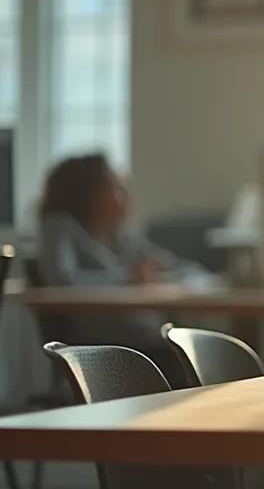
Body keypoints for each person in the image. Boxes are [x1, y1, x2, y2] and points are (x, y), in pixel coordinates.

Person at [35, 153, 216, 387]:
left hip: (144, 332)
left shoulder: (120, 235)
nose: (125, 196)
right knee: (192, 355)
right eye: (115, 188)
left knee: (202, 345)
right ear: (88, 192)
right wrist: (128, 277)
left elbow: (169, 264)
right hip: (101, 345)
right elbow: (61, 280)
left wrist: (205, 277)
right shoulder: (59, 227)